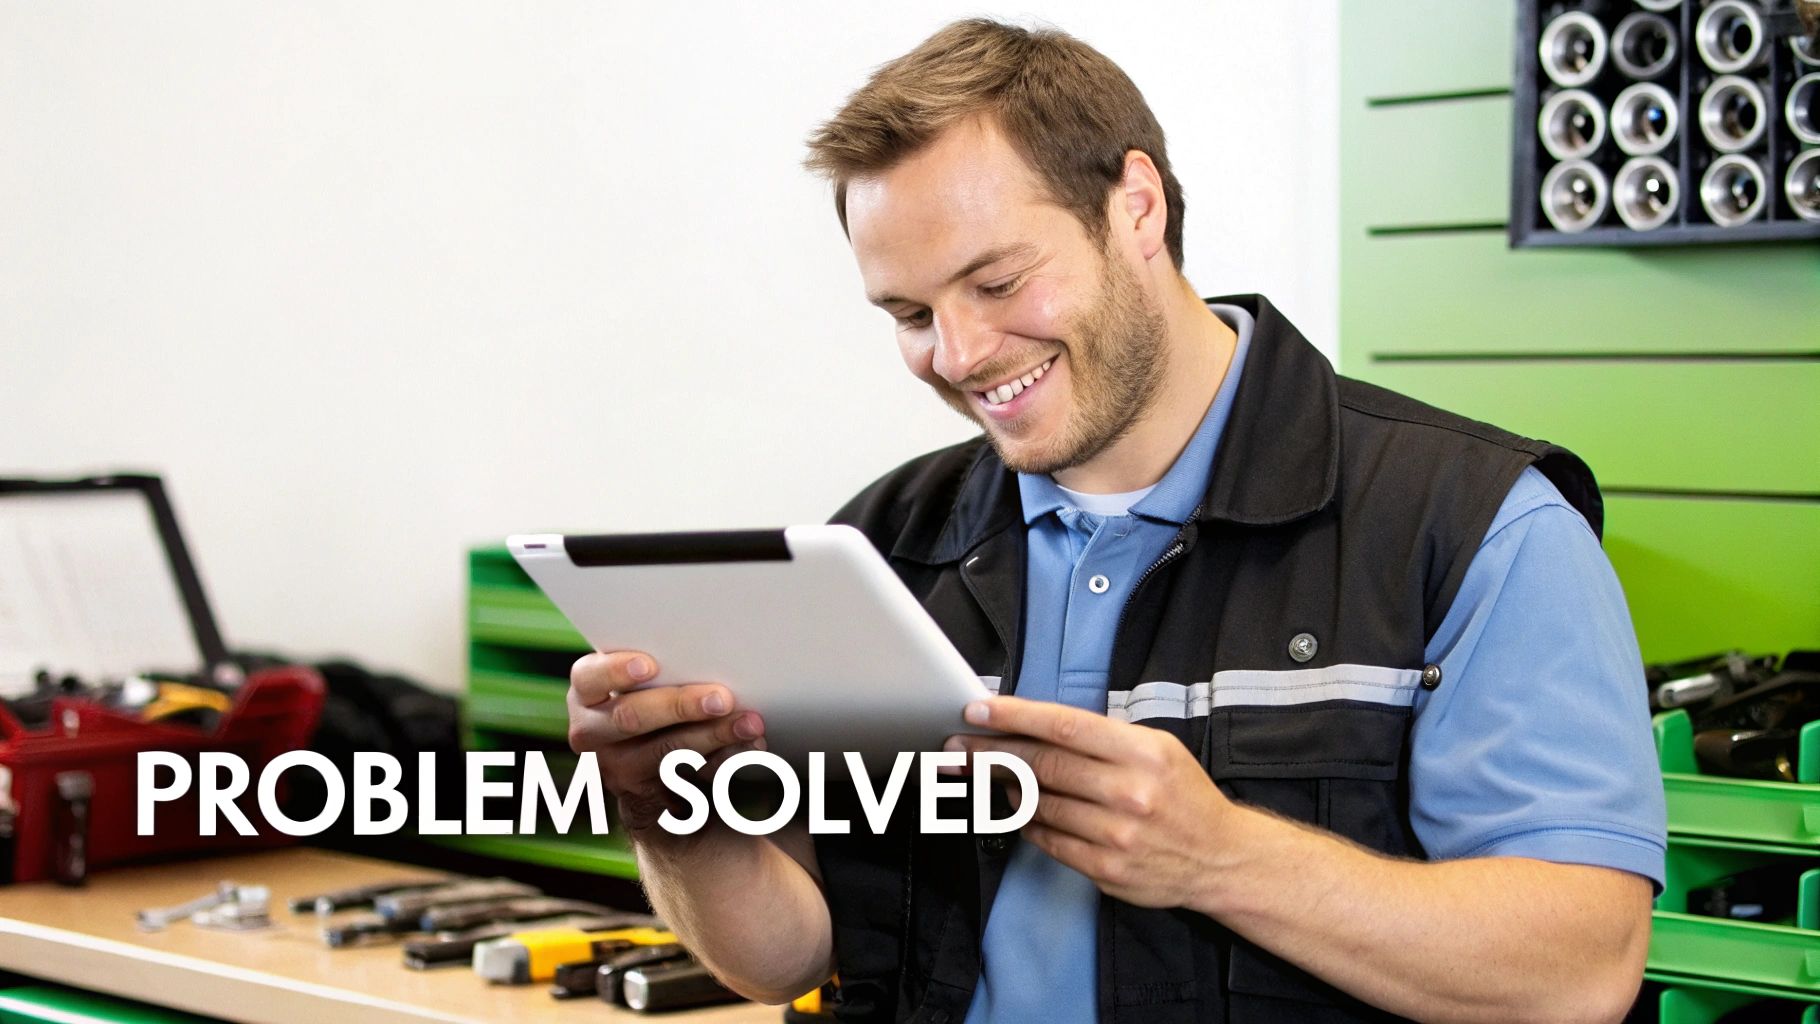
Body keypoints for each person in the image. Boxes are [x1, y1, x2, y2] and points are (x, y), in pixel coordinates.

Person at [567, 18, 1666, 1024]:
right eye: (908, 314)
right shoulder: (881, 549)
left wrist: (1219, 855)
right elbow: (786, 954)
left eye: (995, 280)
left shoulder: (1474, 528)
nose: (956, 355)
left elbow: (1574, 970)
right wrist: (685, 822)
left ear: (1135, 207)